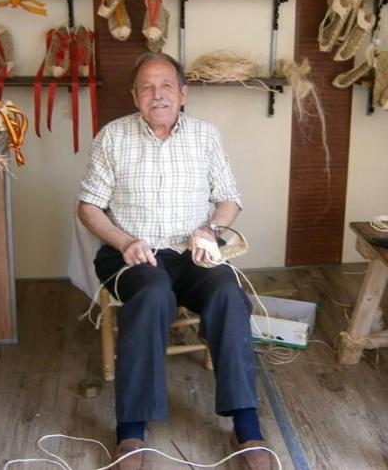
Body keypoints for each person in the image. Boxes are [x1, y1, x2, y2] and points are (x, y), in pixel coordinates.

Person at [77, 52, 274, 470]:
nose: (158, 95)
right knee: (152, 295)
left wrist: (211, 230)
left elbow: (230, 199)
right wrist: (124, 241)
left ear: (183, 94)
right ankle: (131, 432)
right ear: (135, 96)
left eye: (166, 85)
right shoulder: (112, 137)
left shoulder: (205, 135)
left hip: (192, 252)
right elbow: (89, 207)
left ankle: (247, 426)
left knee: (228, 295)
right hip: (133, 253)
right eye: (147, 87)